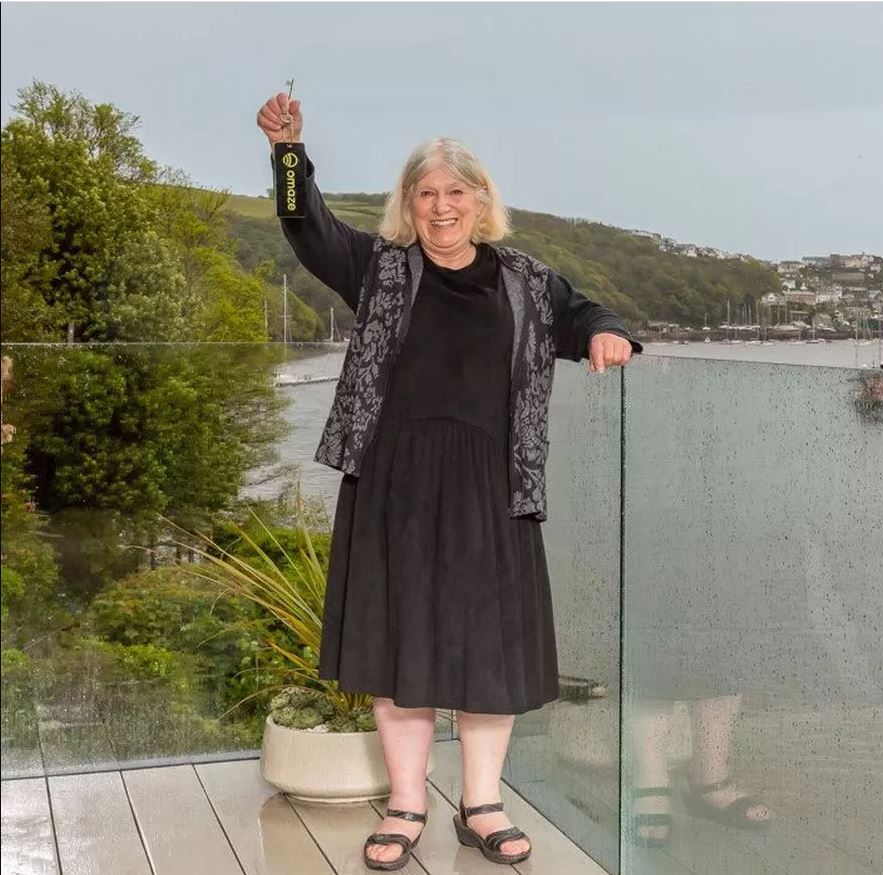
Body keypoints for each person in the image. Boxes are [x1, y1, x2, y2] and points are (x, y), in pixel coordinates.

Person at [256, 92, 640, 870]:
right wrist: (288, 153)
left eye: (455, 191)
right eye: (426, 193)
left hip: (494, 488)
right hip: (392, 484)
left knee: (487, 650)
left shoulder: (526, 280)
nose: (441, 207)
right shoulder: (377, 268)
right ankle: (406, 803)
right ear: (408, 205)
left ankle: (481, 803)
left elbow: (588, 314)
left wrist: (609, 334)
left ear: (480, 200)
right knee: (399, 648)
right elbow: (307, 226)